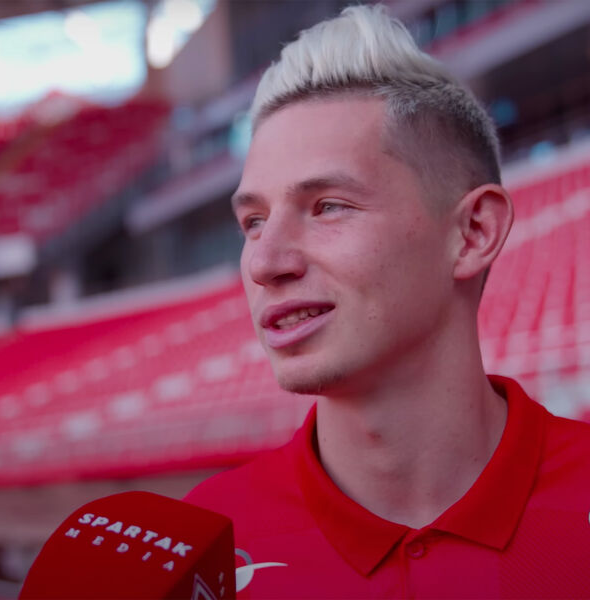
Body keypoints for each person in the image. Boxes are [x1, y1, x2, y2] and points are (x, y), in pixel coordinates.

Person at [184, 4, 590, 598]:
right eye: (254, 222)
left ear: (473, 233)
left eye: (328, 206)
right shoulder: (204, 545)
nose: (265, 264)